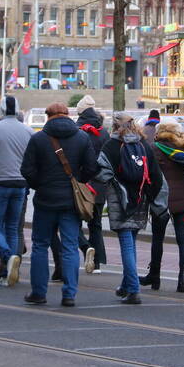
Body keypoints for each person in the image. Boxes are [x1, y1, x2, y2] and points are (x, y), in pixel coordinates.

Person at [21, 102, 97, 307]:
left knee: (40, 245)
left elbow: (26, 169)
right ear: (68, 115)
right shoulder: (81, 137)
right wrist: (78, 181)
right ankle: (69, 294)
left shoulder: (38, 139)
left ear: (48, 116)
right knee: (70, 246)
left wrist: (40, 184)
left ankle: (38, 292)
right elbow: (92, 167)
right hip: (71, 202)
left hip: (45, 199)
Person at [96, 113, 167, 304]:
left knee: (126, 244)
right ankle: (127, 285)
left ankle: (133, 289)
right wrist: (152, 198)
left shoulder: (111, 146)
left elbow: (102, 173)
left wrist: (114, 186)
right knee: (131, 243)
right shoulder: (144, 145)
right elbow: (155, 175)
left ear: (115, 126)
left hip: (120, 200)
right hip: (140, 199)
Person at [142, 122, 184, 292]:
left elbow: (147, 173)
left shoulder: (153, 148)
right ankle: (183, 280)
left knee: (158, 238)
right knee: (183, 238)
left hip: (161, 197)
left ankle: (155, 277)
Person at [0, 95, 29, 287]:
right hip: (20, 184)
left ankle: (7, 257)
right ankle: (10, 267)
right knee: (12, 227)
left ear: (1, 109)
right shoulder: (28, 131)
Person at [76, 98, 107, 273]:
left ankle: (85, 247)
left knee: (74, 222)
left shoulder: (77, 131)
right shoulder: (104, 133)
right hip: (100, 185)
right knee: (96, 224)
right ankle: (96, 263)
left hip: (81, 185)